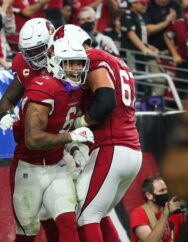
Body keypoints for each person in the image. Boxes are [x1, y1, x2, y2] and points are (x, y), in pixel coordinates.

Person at [10, 37, 94, 242]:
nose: (76, 68)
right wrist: (71, 136)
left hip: (56, 164)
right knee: (28, 234)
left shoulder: (73, 88)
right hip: (28, 168)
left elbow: (63, 125)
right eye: (70, 63)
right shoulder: (45, 87)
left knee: (68, 225)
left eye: (80, 63)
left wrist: (74, 148)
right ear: (56, 62)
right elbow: (33, 139)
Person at [72, 29, 142, 242]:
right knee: (99, 214)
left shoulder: (93, 58)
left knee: (86, 216)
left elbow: (106, 103)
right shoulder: (116, 60)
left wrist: (81, 122)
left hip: (111, 146)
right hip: (130, 148)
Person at [130, 176, 186, 242]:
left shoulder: (175, 212)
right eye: (162, 190)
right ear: (149, 195)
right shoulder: (138, 214)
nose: (166, 193)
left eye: (166, 190)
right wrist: (166, 214)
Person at [164, 6, 188, 99]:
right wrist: (174, 54)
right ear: (185, 14)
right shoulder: (178, 24)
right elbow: (167, 35)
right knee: (183, 94)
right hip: (183, 65)